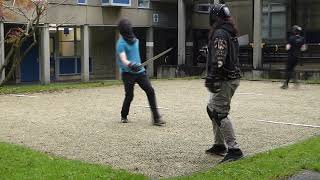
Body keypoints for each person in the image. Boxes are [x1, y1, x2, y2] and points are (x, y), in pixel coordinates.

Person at [204, 4, 243, 163]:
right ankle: (219, 145)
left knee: (220, 113)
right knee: (211, 108)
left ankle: (234, 149)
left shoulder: (220, 33)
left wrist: (212, 77)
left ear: (214, 16)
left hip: (224, 79)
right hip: (230, 77)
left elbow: (219, 58)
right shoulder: (229, 31)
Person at [116, 19, 166, 126]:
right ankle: (124, 115)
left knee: (150, 91)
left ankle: (156, 118)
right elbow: (123, 59)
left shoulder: (135, 40)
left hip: (140, 72)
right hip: (127, 73)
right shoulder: (120, 43)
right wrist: (131, 64)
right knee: (129, 95)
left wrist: (137, 65)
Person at [281, 25, 307, 89]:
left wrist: (287, 45)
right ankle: (287, 83)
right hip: (297, 57)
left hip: (291, 56)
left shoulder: (291, 38)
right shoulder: (302, 39)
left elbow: (287, 48)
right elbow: (303, 48)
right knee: (291, 69)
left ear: (294, 31)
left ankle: (290, 83)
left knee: (288, 69)